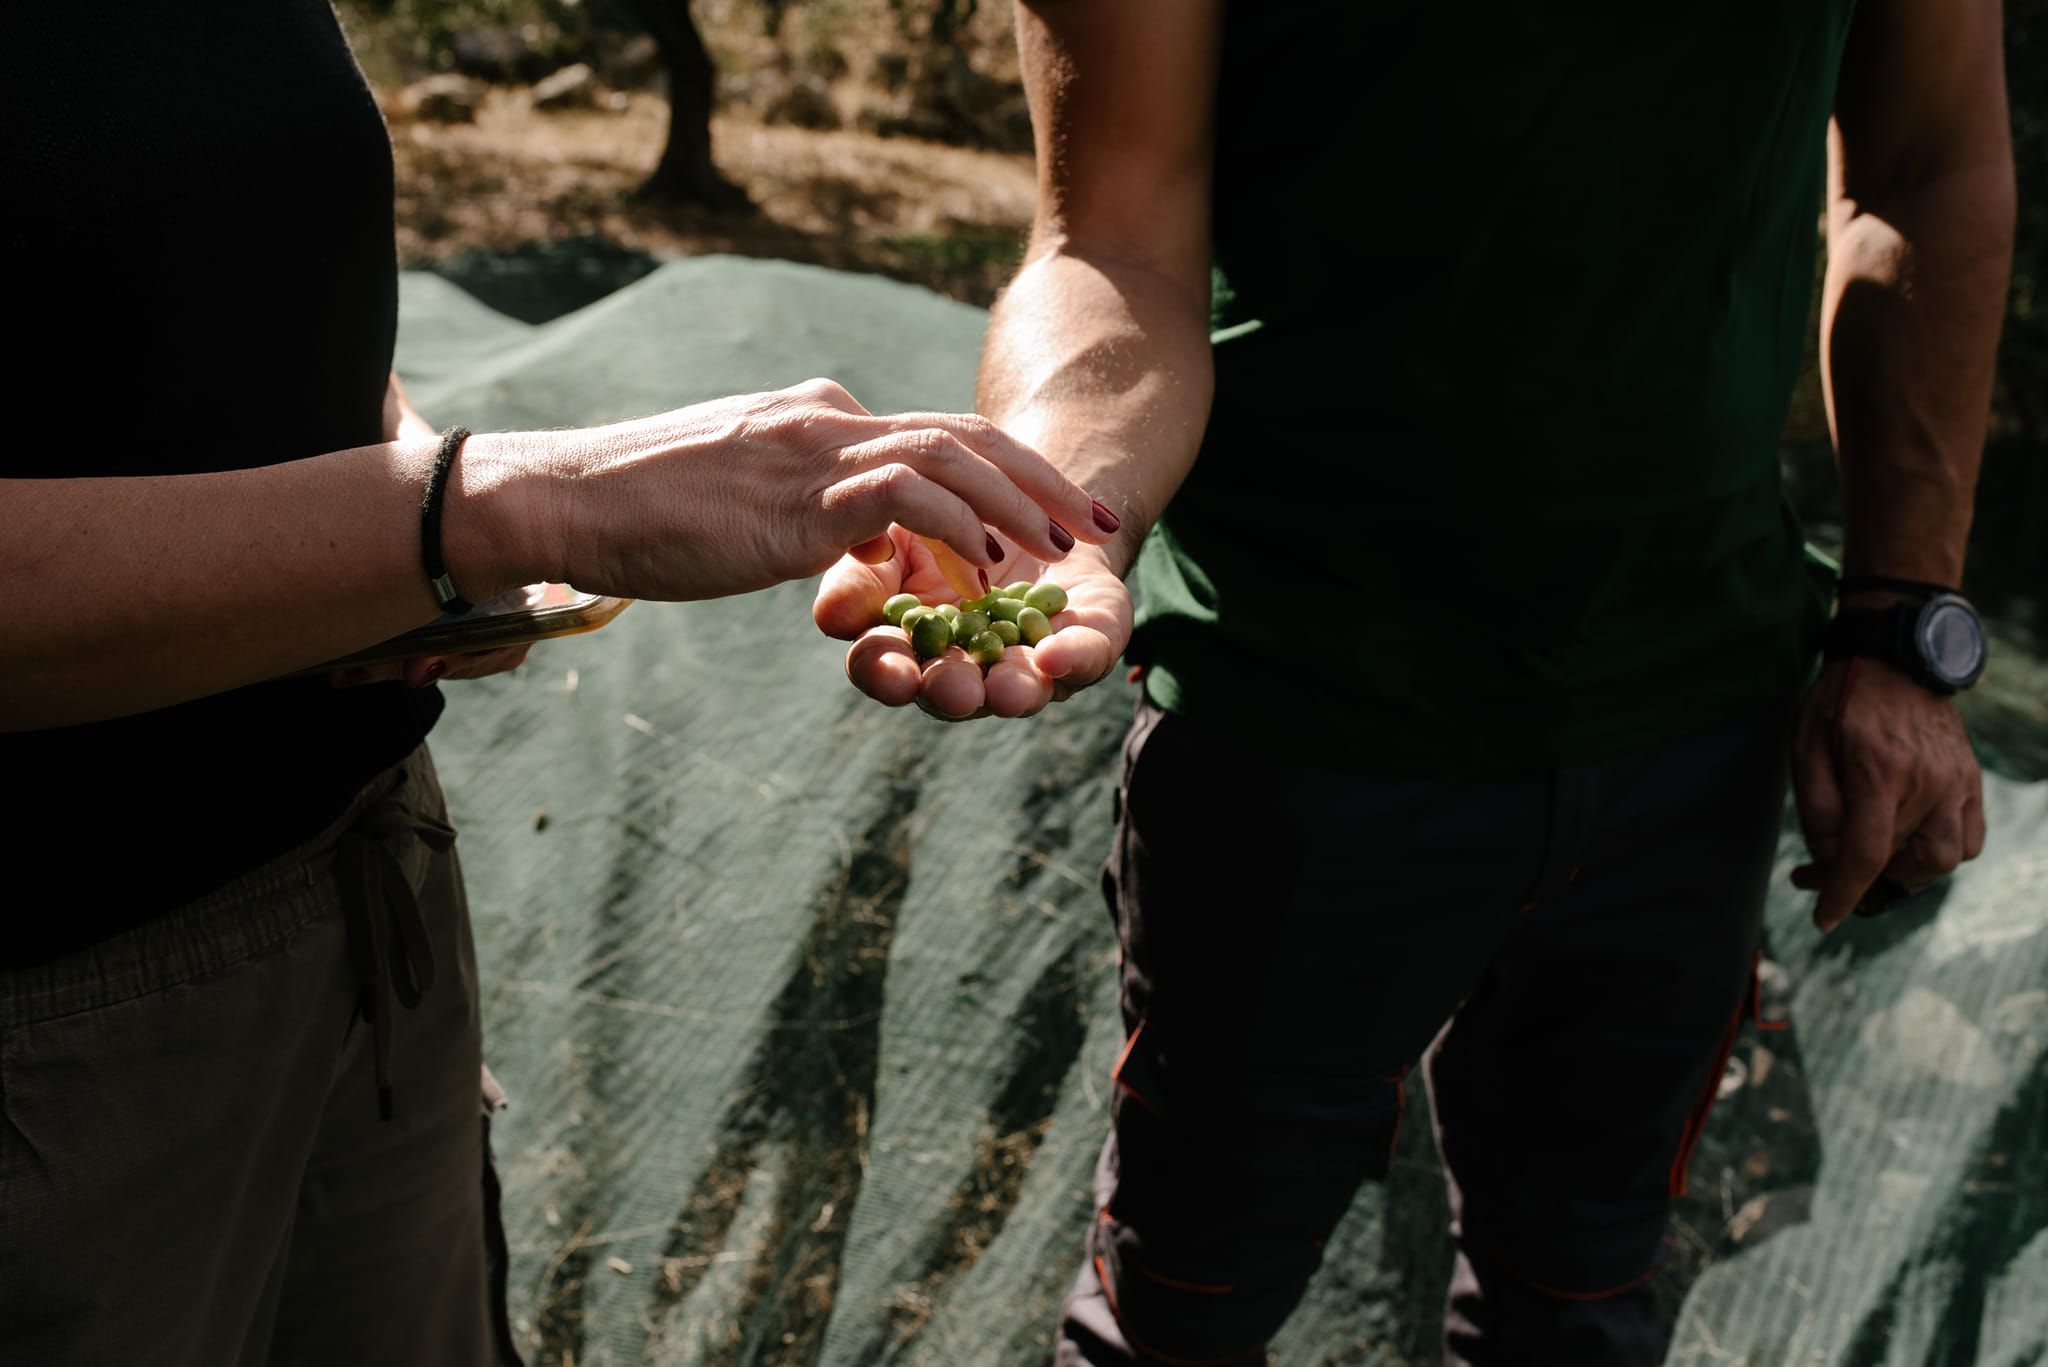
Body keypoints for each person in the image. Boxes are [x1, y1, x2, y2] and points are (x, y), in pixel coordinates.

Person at [817, 0, 2014, 1361]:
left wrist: (1904, 626)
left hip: (1696, 724)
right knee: (1179, 1318)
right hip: (1301, 733)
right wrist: (1048, 517)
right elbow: (1115, 243)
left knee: (1576, 1313)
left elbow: (1926, 170)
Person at [0, 5, 1110, 1364]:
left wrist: (391, 480)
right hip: (63, 1017)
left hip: (360, 888)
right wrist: (491, 506)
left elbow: (207, 266)